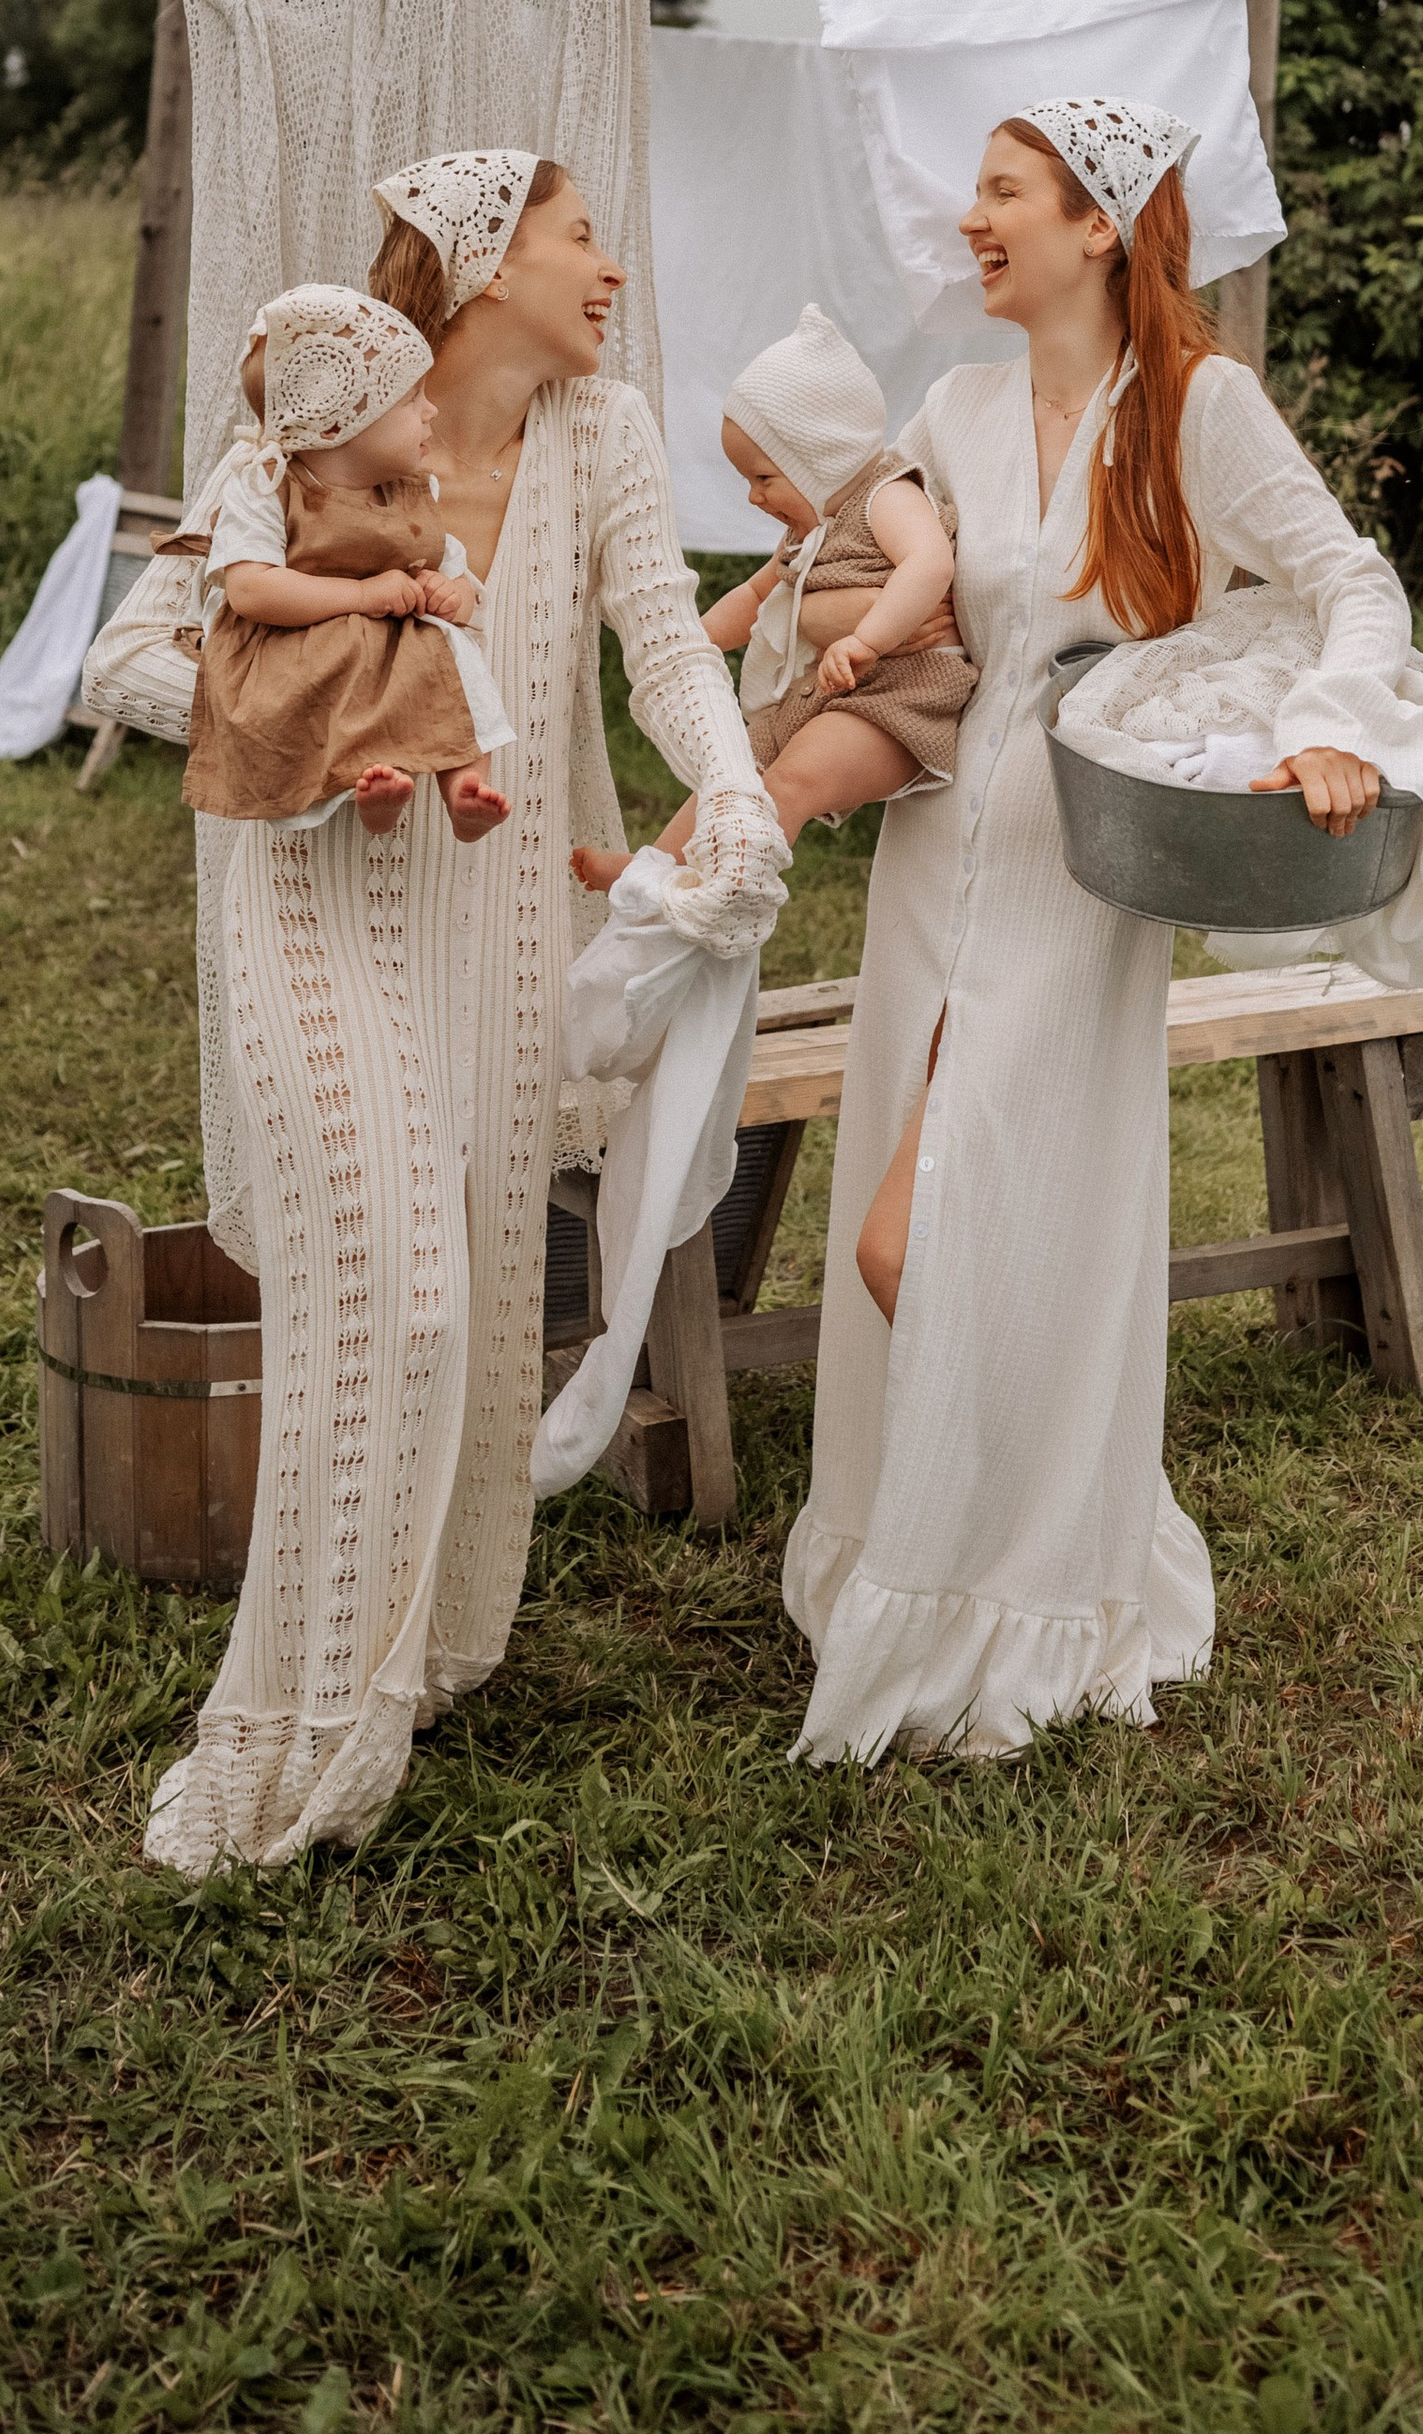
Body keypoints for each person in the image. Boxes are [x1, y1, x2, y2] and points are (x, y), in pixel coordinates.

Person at [783, 97, 1423, 1767]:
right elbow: (855, 576)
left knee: (940, 1233)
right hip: (936, 854)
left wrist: (1327, 721)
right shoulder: (951, 411)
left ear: (1100, 222)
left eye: (1002, 190)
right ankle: (922, 1544)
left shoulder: (1199, 406)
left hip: (1078, 887)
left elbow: (1351, 577)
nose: (975, 218)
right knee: (928, 1210)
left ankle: (1017, 1577)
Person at [146, 159, 785, 1875]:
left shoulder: (610, 435)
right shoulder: (316, 398)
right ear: (490, 258)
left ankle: (415, 1660)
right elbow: (153, 642)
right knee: (395, 1298)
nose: (614, 276)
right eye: (586, 241)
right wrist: (323, 676)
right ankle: (291, 1719)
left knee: (482, 1315)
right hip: (315, 908)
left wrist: (735, 800)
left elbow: (667, 647)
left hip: (499, 931)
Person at [571, 302, 974, 891]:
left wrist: (867, 639)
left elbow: (930, 561)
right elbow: (757, 596)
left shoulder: (886, 494)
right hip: (818, 696)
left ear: (820, 455)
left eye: (764, 477)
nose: (754, 498)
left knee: (789, 782)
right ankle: (657, 868)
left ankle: (726, 885)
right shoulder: (805, 534)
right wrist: (683, 645)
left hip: (901, 697)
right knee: (731, 776)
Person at [180, 282, 512, 839]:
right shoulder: (269, 484)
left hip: (388, 651)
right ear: (340, 423)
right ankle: (369, 791)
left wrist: (453, 593)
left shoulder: (409, 491)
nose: (431, 411)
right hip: (290, 653)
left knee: (454, 655)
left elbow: (458, 570)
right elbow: (251, 590)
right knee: (316, 706)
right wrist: (362, 595)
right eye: (411, 400)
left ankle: (464, 790)